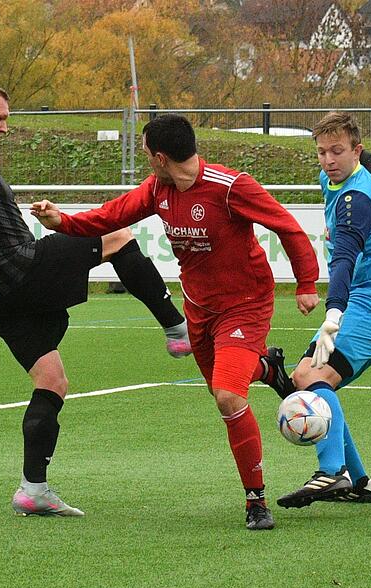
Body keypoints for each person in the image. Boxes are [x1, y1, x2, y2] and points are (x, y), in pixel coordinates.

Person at [30, 113, 320, 530]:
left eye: (147, 152)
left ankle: (255, 501)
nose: (146, 159)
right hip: (198, 310)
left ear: (161, 157)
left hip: (245, 305)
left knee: (228, 396)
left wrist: (307, 283)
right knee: (226, 392)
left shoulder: (231, 187)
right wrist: (65, 222)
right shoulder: (158, 188)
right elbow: (114, 215)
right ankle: (266, 367)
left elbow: (288, 228)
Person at [0, 80, 191, 518]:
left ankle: (34, 488)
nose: (5, 128)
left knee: (52, 380)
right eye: (1, 118)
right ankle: (176, 327)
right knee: (117, 235)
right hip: (16, 269)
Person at [276, 112, 371, 508]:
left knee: (316, 377)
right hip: (365, 303)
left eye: (338, 151)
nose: (329, 159)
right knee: (304, 376)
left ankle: (333, 471)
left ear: (356, 151)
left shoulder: (356, 199)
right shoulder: (331, 180)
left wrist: (334, 313)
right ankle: (359, 482)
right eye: (322, 152)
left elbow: (345, 258)